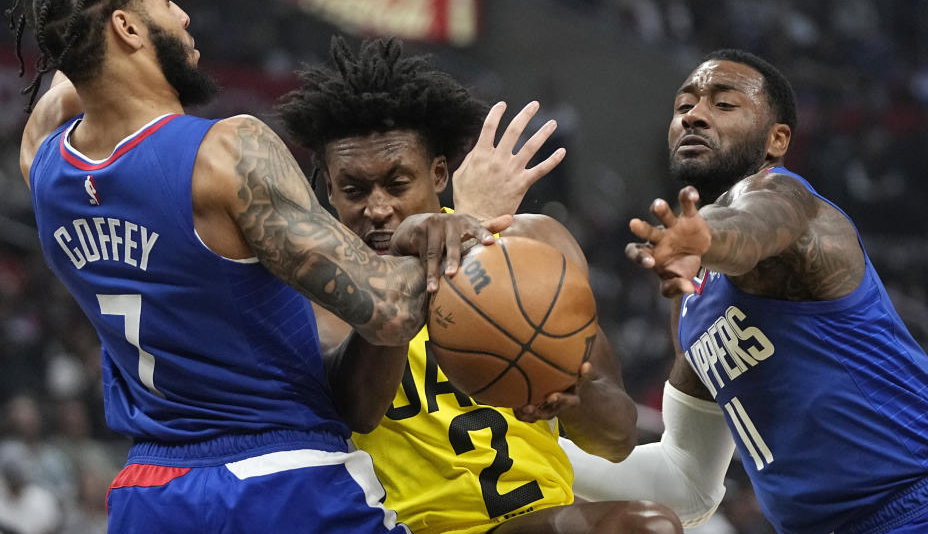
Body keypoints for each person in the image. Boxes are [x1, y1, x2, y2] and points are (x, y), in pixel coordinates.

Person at [7, 0, 503, 533]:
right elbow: (391, 311)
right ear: (129, 30)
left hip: (150, 496)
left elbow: (84, 44)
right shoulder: (225, 152)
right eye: (166, 0)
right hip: (279, 485)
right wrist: (462, 218)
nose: (184, 13)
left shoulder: (46, 165)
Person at [277, 36, 682, 534]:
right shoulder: (312, 286)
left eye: (398, 185)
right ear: (327, 189)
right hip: (412, 528)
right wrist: (413, 266)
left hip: (540, 520)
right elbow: (359, 409)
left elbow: (616, 440)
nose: (378, 208)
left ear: (440, 173)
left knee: (648, 527)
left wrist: (573, 394)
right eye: (354, 190)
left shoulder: (532, 245)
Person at [624, 49, 928, 534]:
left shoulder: (792, 202)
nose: (695, 115)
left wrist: (706, 237)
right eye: (683, 106)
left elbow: (756, 226)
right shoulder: (689, 303)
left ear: (776, 139)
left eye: (724, 105)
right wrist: (526, 455)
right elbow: (683, 477)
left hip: (910, 505)